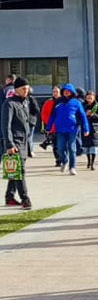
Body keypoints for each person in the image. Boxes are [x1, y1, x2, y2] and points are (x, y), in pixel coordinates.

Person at [1, 77, 32, 209]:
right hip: (15, 142)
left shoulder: (25, 102)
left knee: (15, 170)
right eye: (23, 89)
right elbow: (5, 125)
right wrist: (9, 144)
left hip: (24, 142)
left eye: (27, 88)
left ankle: (10, 196)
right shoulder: (10, 104)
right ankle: (25, 199)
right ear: (16, 90)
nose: (26, 91)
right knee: (20, 170)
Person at [47, 83, 90, 175]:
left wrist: (86, 128)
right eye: (65, 91)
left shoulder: (76, 102)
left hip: (72, 129)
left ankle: (72, 167)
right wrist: (48, 127)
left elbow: (83, 116)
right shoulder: (58, 101)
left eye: (68, 91)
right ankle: (64, 160)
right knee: (60, 148)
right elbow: (52, 115)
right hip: (60, 129)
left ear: (72, 92)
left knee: (72, 147)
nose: (66, 92)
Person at [82, 92, 98, 170]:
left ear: (94, 98)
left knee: (93, 147)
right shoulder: (83, 105)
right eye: (88, 98)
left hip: (94, 128)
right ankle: (88, 161)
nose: (89, 100)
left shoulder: (97, 106)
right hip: (86, 128)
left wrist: (93, 114)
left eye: (91, 98)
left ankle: (92, 163)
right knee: (87, 147)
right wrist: (85, 114)